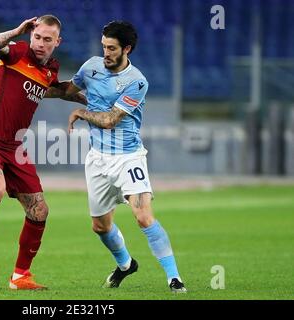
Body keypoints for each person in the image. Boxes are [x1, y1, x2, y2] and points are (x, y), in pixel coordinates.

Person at [47, 21, 187, 292]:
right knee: (100, 226)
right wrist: (33, 88)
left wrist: (81, 113)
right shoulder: (91, 67)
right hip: (97, 159)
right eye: (104, 47)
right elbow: (67, 90)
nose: (106, 53)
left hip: (128, 158)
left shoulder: (137, 82)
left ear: (127, 49)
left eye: (112, 48)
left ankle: (174, 278)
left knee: (143, 216)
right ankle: (126, 265)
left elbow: (110, 119)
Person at [0, 15, 86, 290]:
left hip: (14, 145)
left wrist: (85, 96)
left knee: (39, 210)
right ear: (31, 36)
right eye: (37, 37)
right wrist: (17, 31)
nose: (40, 44)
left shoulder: (50, 70)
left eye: (47, 39)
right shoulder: (16, 52)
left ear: (58, 42)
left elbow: (51, 89)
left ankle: (20, 276)